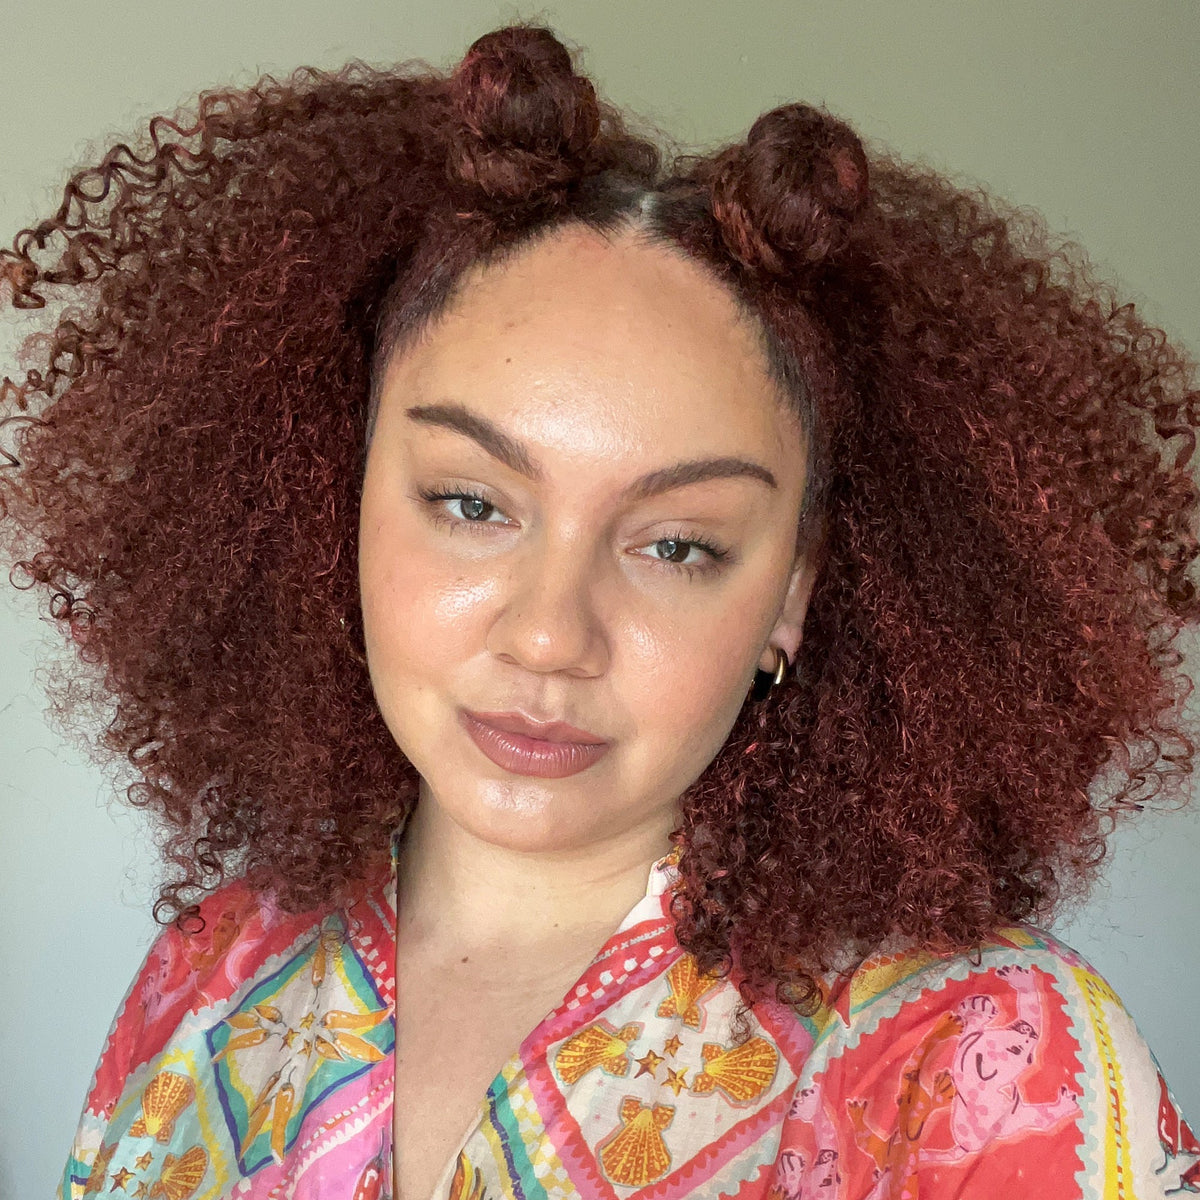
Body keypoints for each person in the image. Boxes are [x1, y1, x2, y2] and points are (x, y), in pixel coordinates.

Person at [1, 21, 1196, 1200]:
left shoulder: (983, 1066)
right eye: (471, 504)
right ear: (335, 501)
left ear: (792, 591)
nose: (547, 636)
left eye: (677, 544)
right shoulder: (214, 971)